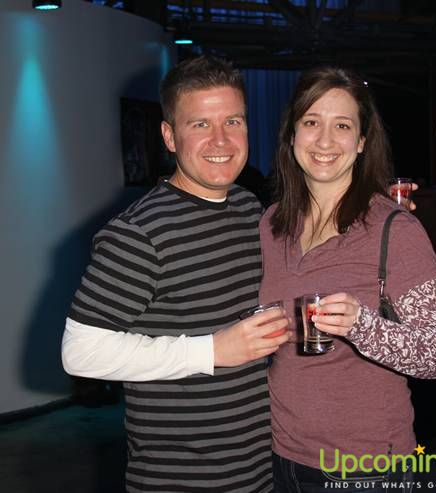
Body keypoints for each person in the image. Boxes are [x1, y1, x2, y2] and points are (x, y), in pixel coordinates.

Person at [61, 56, 290, 493]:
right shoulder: (138, 233)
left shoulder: (248, 208)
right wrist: (212, 351)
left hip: (260, 470)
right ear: (169, 136)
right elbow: (80, 353)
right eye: (200, 124)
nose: (221, 139)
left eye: (233, 121)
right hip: (180, 479)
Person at [258, 66, 436, 492]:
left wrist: (362, 325)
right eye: (311, 122)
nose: (325, 141)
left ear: (362, 141)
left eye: (342, 126)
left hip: (365, 468)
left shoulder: (395, 230)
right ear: (291, 134)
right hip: (279, 455)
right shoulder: (272, 225)